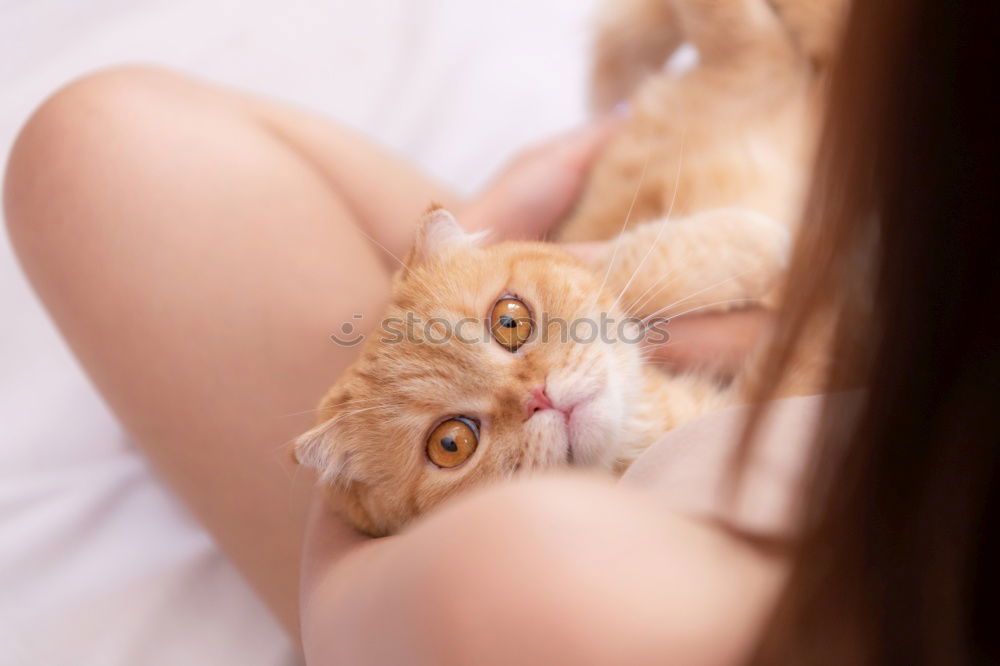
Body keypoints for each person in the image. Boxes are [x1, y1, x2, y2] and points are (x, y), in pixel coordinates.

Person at [4, 1, 994, 665]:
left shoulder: (531, 579)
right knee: (92, 146)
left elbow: (415, 609)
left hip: (740, 495)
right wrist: (477, 283)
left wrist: (357, 506)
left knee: (105, 158)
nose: (531, 392)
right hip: (874, 359)